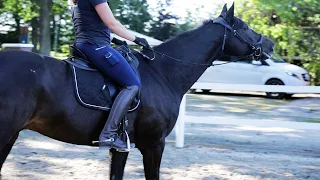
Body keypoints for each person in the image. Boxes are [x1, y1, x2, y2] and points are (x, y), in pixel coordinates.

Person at [70, 0, 151, 152]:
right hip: (96, 46)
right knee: (132, 84)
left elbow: (91, 24)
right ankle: (108, 134)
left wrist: (114, 39)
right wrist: (137, 39)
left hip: (84, 45)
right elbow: (112, 24)